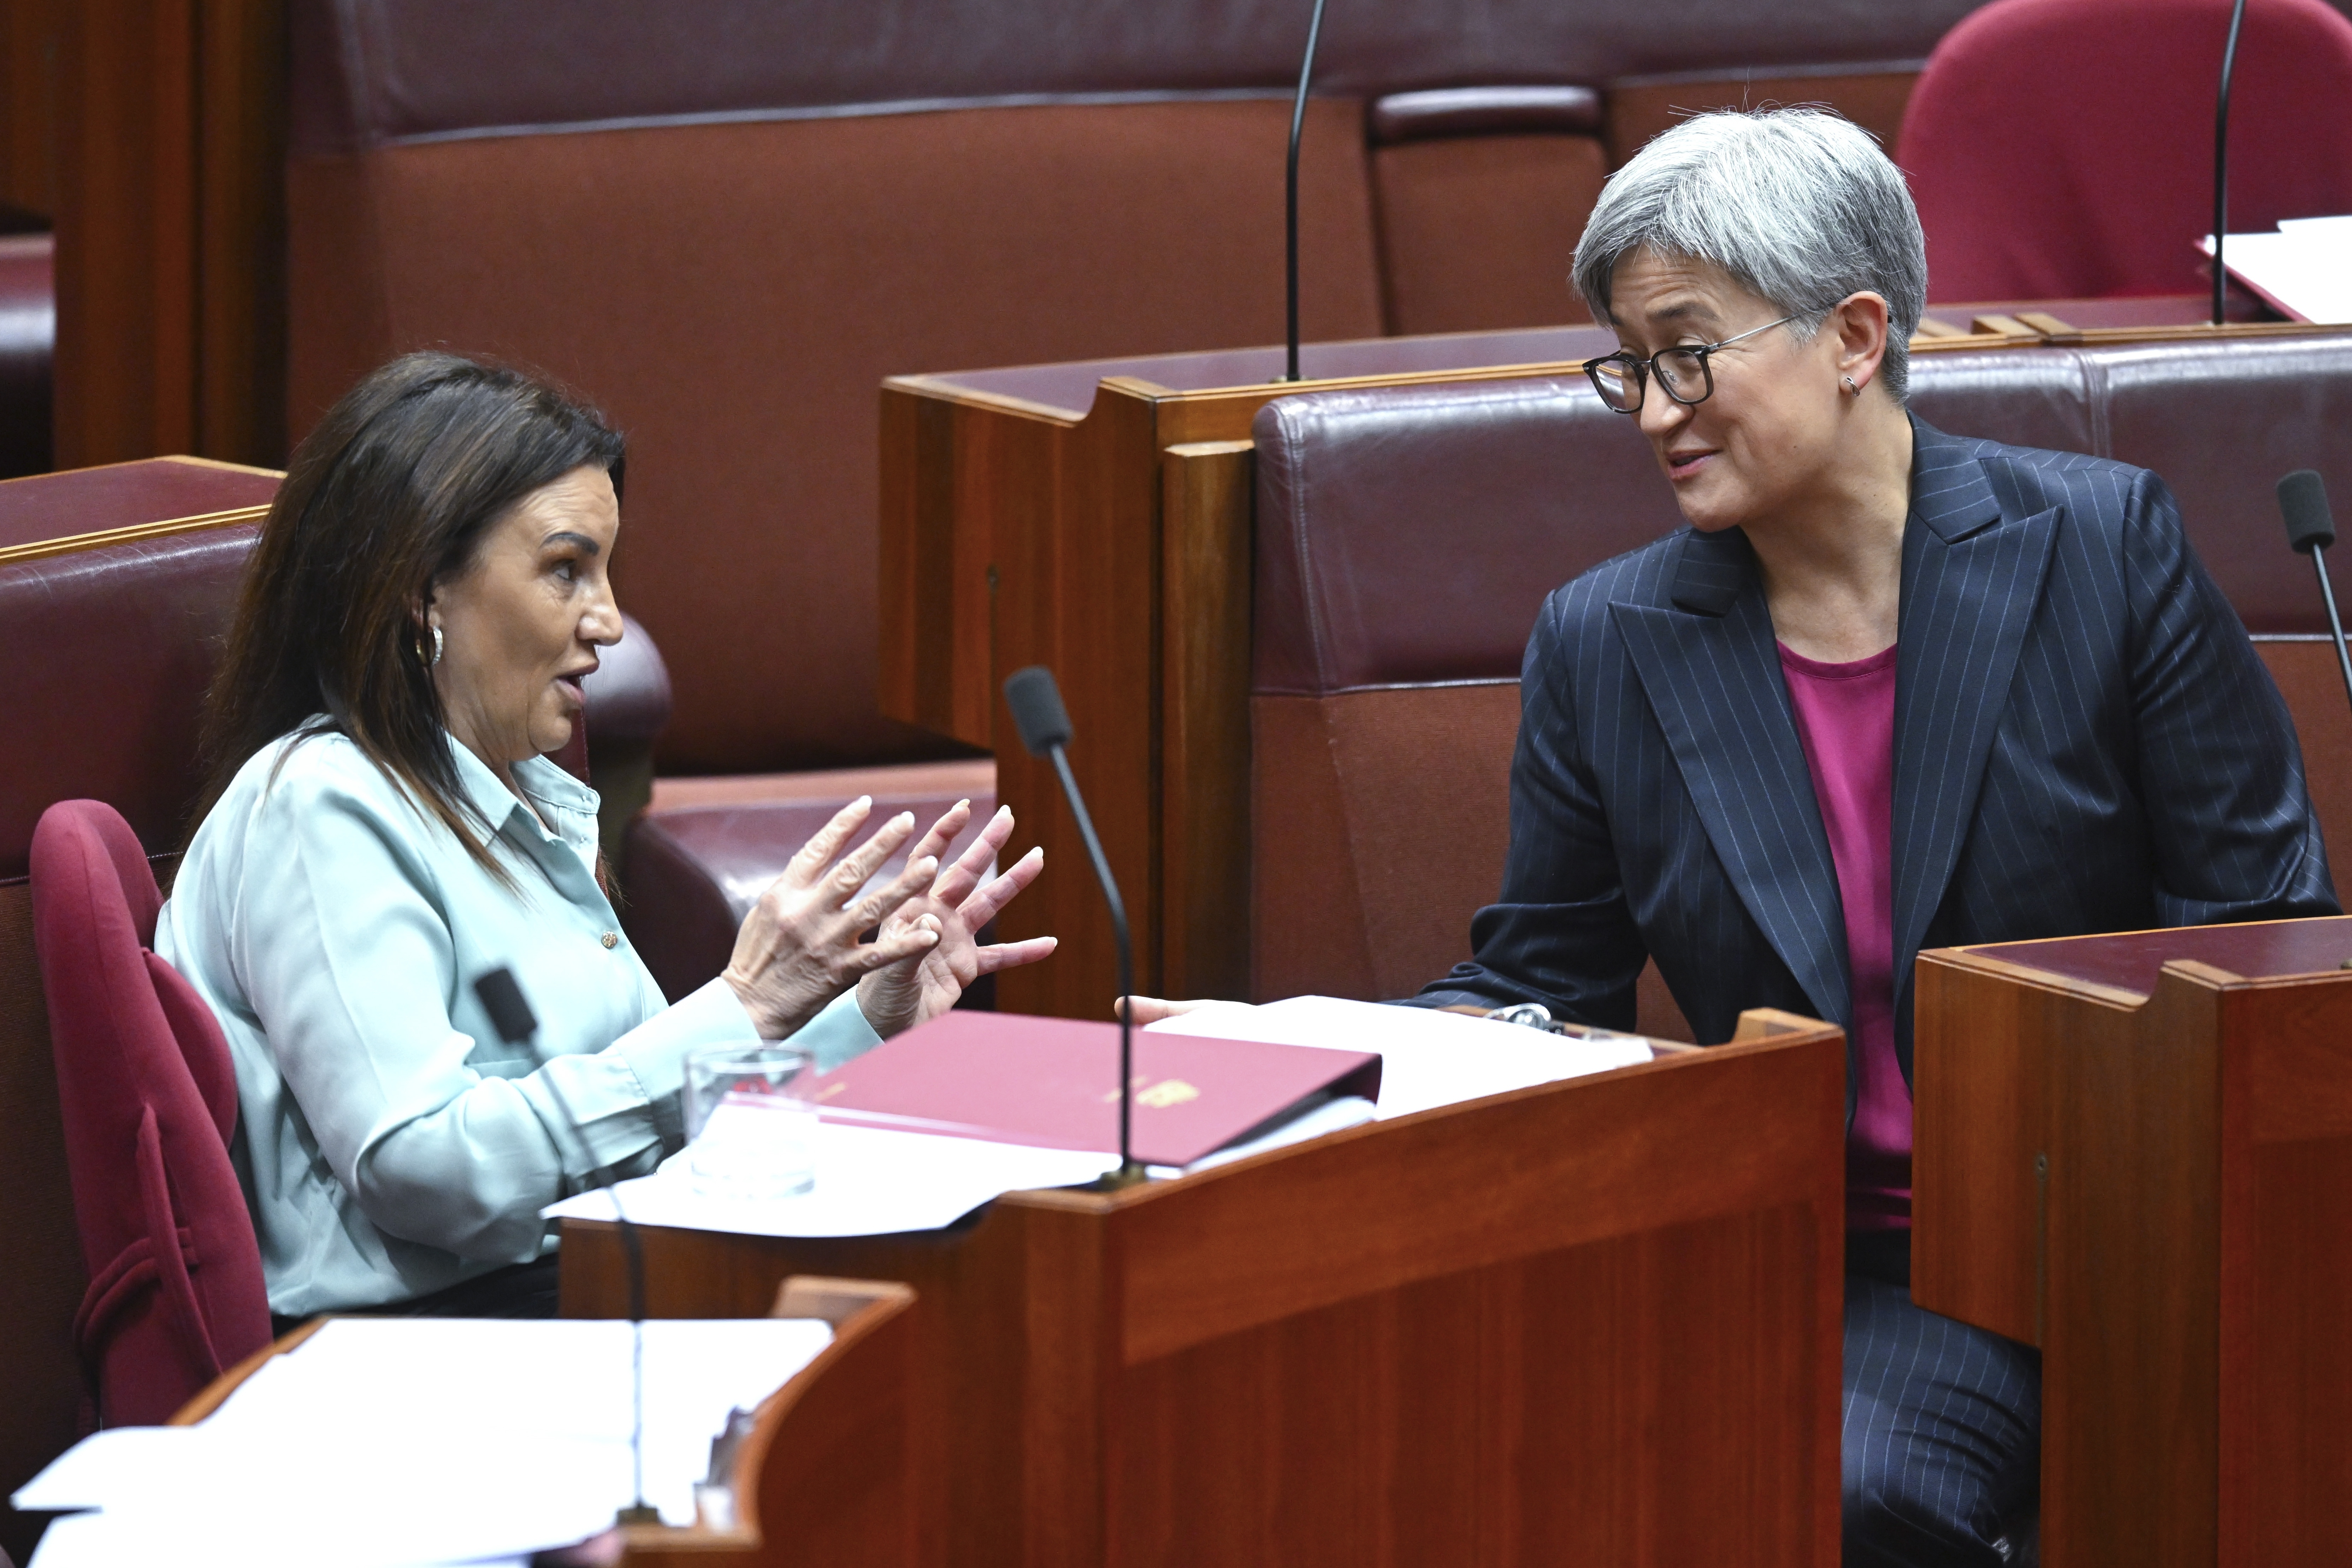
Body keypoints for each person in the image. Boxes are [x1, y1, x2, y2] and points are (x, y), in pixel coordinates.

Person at [1137, 108, 2335, 1564]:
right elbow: (1545, 989)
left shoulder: (2103, 549)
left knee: (1839, 1488)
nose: (1654, 411)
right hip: (1833, 1256)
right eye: (1629, 368)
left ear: (1852, 335)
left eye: (1689, 352)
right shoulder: (1609, 640)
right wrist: (1286, 1064)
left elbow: (2270, 934)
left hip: (2116, 1226)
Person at [158, 352, 1057, 1324]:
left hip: (587, 1272)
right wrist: (747, 1002)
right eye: (564, 570)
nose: (610, 622)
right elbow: (421, 1169)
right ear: (421, 587)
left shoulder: (523, 802)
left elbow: (635, 1117)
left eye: (604, 571)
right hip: (438, 1338)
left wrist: (863, 1019)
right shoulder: (322, 806)